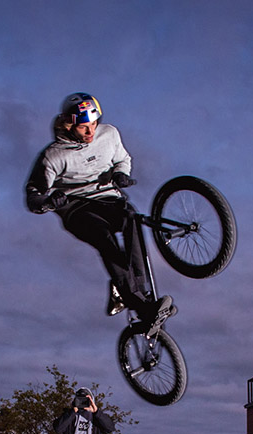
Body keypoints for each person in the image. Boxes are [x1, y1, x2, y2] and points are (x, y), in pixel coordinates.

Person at [25, 92, 174, 324]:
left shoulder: (109, 134)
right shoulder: (52, 157)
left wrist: (121, 173)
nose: (90, 132)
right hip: (76, 209)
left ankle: (138, 290)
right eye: (84, 127)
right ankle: (140, 306)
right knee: (104, 238)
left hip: (108, 200)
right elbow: (33, 194)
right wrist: (48, 202)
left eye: (94, 124)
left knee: (131, 218)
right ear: (69, 125)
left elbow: (123, 159)